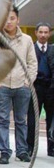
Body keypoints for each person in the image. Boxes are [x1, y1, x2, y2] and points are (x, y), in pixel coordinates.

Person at [0, 5, 38, 164]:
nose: (8, 22)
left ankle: (22, 151)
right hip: (3, 86)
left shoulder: (26, 40)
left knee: (21, 120)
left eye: (12, 18)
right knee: (3, 120)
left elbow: (32, 63)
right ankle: (4, 152)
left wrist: (28, 81)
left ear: (18, 20)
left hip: (22, 86)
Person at [27, 22, 54, 157]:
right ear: (36, 33)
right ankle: (30, 148)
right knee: (32, 118)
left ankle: (51, 148)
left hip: (50, 89)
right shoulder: (31, 48)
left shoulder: (52, 49)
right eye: (41, 32)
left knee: (51, 118)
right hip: (35, 87)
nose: (43, 35)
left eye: (46, 32)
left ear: (49, 34)